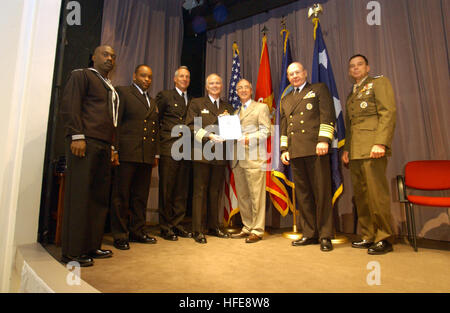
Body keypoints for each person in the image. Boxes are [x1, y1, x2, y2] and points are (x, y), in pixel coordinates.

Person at [60, 45, 118, 266]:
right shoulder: (82, 75)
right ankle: (72, 252)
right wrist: (76, 135)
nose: (110, 58)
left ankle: (91, 246)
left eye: (113, 56)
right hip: (85, 142)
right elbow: (70, 106)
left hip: (104, 145)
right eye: (105, 54)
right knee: (80, 197)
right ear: (93, 57)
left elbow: (112, 120)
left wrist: (113, 147)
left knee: (98, 198)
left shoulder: (108, 86)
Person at [342, 54, 396, 255]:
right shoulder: (352, 94)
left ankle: (384, 237)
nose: (355, 69)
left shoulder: (378, 83)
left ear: (368, 67)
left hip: (373, 147)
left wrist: (380, 142)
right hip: (356, 150)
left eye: (359, 65)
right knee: (362, 196)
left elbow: (388, 113)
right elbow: (351, 125)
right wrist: (347, 149)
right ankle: (368, 235)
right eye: (352, 66)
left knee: (376, 194)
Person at [280, 62, 336, 252]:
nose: (294, 76)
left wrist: (324, 140)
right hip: (296, 151)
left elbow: (327, 115)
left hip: (315, 148)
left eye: (297, 72)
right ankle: (309, 233)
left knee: (322, 193)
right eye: (290, 74)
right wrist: (284, 149)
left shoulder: (318, 89)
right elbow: (285, 126)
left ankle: (326, 235)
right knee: (303, 195)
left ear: (305, 73)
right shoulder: (285, 99)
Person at [110, 64, 159, 250]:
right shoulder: (124, 93)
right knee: (121, 196)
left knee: (140, 196)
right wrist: (114, 149)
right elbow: (117, 123)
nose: (147, 79)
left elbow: (154, 129)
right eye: (143, 76)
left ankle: (137, 231)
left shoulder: (152, 101)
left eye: (149, 77)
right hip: (127, 153)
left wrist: (154, 153)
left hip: (145, 155)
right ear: (134, 76)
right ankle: (120, 234)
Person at [185, 74, 234, 244]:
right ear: (206, 87)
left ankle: (214, 226)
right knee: (200, 192)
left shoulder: (228, 106)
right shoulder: (197, 103)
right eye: (211, 83)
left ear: (221, 86)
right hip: (202, 154)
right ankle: (198, 230)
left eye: (217, 83)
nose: (215, 85)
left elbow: (232, 131)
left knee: (215, 192)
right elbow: (190, 127)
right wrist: (209, 136)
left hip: (220, 155)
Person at [230, 79, 271, 243]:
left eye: (246, 87)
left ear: (251, 89)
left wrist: (249, 138)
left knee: (256, 196)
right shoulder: (234, 113)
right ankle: (247, 227)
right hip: (237, 159)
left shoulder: (261, 108)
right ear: (237, 91)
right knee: (244, 196)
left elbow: (266, 131)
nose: (243, 90)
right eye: (239, 87)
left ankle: (258, 229)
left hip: (254, 158)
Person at [155, 66, 193, 241]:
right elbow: (156, 121)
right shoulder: (165, 96)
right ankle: (165, 226)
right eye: (182, 76)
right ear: (175, 79)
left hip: (186, 149)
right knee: (167, 189)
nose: (184, 79)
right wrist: (156, 150)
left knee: (181, 190)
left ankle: (178, 224)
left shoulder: (191, 101)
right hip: (169, 148)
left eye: (187, 77)